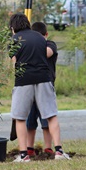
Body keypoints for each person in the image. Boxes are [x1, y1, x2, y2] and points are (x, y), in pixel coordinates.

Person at [9, 13, 70, 162]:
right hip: (44, 78)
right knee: (51, 115)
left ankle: (24, 155)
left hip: (24, 80)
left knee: (20, 118)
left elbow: (14, 62)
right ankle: (59, 151)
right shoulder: (40, 37)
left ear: (13, 28)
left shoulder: (14, 40)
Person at [26, 22, 57, 157]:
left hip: (45, 86)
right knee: (30, 120)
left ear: (46, 35)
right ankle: (29, 148)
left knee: (46, 120)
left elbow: (46, 54)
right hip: (29, 86)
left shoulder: (50, 45)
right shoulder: (29, 47)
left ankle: (48, 147)